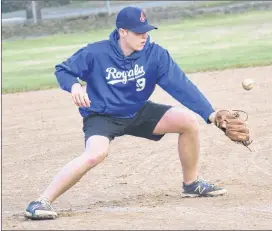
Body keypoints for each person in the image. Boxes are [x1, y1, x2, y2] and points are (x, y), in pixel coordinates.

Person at [24, 6, 229, 220]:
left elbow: (180, 85)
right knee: (95, 154)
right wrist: (74, 86)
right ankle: (41, 202)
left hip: (137, 110)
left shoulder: (155, 54)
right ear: (123, 32)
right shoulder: (97, 52)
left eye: (146, 31)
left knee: (187, 121)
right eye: (139, 32)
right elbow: (63, 70)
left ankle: (191, 184)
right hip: (102, 116)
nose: (145, 36)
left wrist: (211, 114)